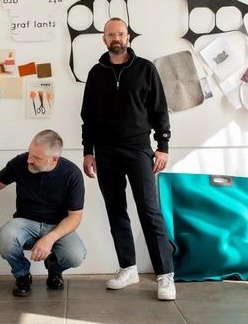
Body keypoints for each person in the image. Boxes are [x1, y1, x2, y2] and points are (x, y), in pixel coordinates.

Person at [80, 17, 175, 300]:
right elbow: (89, 118)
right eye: (111, 35)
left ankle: (165, 276)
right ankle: (128, 268)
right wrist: (88, 151)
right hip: (106, 153)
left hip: (138, 150)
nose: (116, 38)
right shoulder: (96, 73)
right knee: (116, 211)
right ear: (104, 39)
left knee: (150, 212)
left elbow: (160, 110)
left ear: (129, 36)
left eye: (121, 33)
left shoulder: (145, 69)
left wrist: (163, 146)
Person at [0, 129, 86, 297]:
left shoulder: (72, 174)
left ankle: (54, 269)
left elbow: (75, 217)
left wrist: (49, 239)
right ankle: (22, 275)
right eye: (30, 153)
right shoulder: (21, 162)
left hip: (56, 226)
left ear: (54, 159)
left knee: (76, 256)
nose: (29, 159)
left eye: (36, 158)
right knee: (5, 238)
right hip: (25, 221)